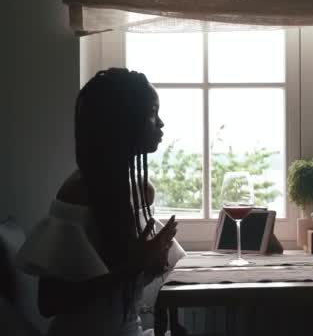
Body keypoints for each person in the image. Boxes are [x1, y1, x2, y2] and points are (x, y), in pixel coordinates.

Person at [15, 68, 186, 336]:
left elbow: (120, 281)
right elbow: (48, 302)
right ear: (123, 121)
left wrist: (151, 264)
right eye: (152, 113)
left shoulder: (140, 191)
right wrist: (135, 265)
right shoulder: (79, 194)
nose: (161, 123)